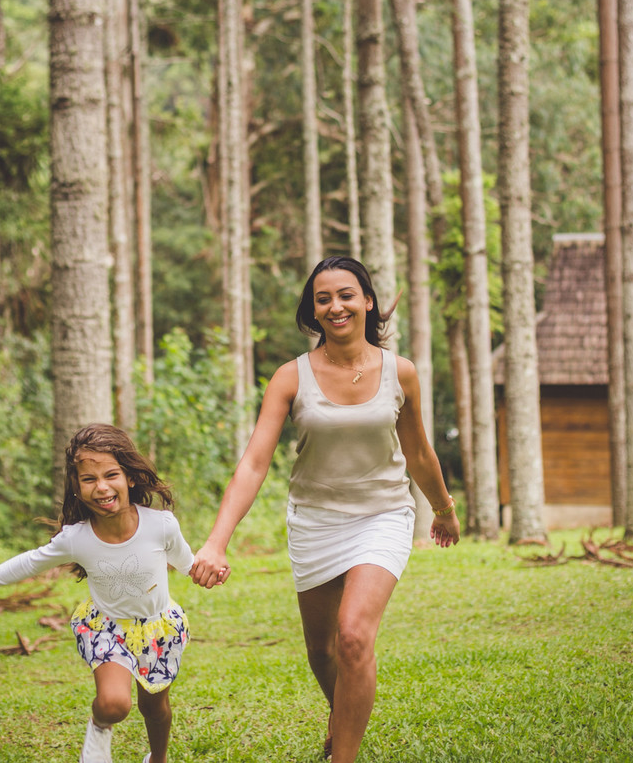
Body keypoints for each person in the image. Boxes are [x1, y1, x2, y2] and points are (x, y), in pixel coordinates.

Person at [190, 255, 462, 763]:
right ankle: (341, 718)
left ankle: (344, 755)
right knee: (324, 651)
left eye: (345, 295)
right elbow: (253, 464)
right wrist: (216, 540)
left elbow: (420, 451)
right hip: (314, 521)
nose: (335, 306)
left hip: (382, 514)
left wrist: (442, 508)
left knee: (354, 635)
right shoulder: (290, 378)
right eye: (323, 298)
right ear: (313, 311)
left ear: (368, 301)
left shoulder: (399, 372)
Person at [0, 423, 216, 763]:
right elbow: (28, 563)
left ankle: (157, 759)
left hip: (157, 629)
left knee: (155, 708)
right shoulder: (77, 538)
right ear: (77, 487)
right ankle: (99, 728)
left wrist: (207, 571)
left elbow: (188, 563)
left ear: (129, 477)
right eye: (89, 479)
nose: (101, 487)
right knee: (114, 704)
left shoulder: (161, 525)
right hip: (107, 628)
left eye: (111, 475)